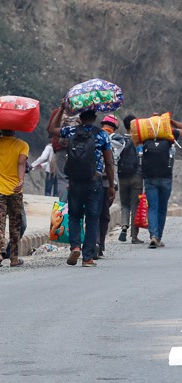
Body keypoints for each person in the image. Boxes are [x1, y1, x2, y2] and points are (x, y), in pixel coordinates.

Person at [48, 104, 114, 267]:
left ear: (80, 118)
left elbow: (52, 129)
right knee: (92, 219)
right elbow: (109, 162)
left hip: (75, 181)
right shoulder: (102, 135)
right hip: (94, 181)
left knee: (75, 216)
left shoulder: (71, 132)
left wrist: (62, 109)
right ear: (94, 118)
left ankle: (75, 246)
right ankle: (87, 258)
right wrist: (111, 185)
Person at [0, 129, 29, 267]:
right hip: (15, 190)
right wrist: (21, 180)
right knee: (15, 225)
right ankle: (14, 259)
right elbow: (21, 163)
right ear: (15, 130)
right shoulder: (23, 145)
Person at [140, 116, 182, 248]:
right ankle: (158, 237)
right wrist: (171, 121)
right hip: (165, 178)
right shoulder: (170, 137)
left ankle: (153, 235)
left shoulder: (146, 138)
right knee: (162, 208)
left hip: (150, 178)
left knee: (152, 207)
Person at [96, 116, 127, 257]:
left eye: (108, 126)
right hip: (104, 182)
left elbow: (113, 149)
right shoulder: (97, 136)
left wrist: (103, 135)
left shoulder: (118, 140)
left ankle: (98, 244)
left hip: (107, 182)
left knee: (102, 214)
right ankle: (97, 244)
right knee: (101, 214)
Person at [117, 115, 144, 244]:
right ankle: (134, 236)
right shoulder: (139, 140)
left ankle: (123, 227)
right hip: (137, 176)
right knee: (135, 205)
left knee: (124, 204)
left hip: (122, 176)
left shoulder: (120, 139)